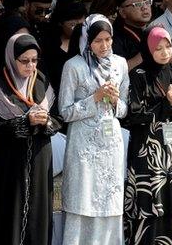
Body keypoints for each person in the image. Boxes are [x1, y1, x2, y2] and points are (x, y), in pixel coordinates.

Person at [58, 14, 130, 245]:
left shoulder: (120, 64)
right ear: (87, 40)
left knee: (110, 202)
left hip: (111, 144)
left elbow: (124, 110)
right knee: (83, 201)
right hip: (83, 146)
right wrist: (95, 98)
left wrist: (115, 100)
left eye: (108, 39)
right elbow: (65, 111)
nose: (104, 45)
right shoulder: (74, 66)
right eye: (98, 40)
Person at [0, 33, 61, 245]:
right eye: (24, 61)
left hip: (39, 158)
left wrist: (46, 120)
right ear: (12, 59)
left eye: (34, 60)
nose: (30, 66)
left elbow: (58, 119)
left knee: (38, 215)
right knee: (8, 214)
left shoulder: (42, 82)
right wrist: (23, 122)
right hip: (9, 162)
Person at [122, 26, 172, 245]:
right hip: (147, 152)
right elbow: (134, 115)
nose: (164, 52)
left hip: (171, 152)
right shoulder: (138, 75)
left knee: (169, 208)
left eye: (168, 46)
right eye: (158, 48)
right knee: (146, 206)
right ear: (148, 49)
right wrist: (166, 103)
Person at [43, 0, 87, 91]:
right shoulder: (50, 45)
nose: (78, 29)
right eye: (73, 25)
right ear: (60, 23)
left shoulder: (89, 42)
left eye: (82, 25)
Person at [112, 0, 153, 70]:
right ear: (123, 12)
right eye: (138, 4)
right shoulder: (114, 37)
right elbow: (115, 73)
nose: (144, 7)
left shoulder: (155, 31)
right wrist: (146, 53)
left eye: (147, 2)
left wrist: (165, 52)